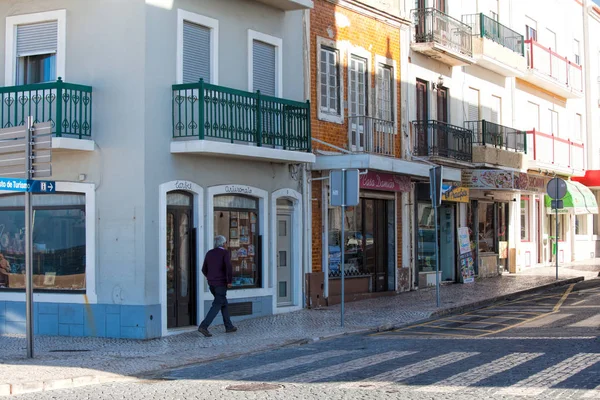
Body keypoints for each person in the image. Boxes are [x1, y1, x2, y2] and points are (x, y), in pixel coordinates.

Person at [198, 235, 237, 337]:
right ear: (223, 243)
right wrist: (229, 281)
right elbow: (228, 267)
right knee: (216, 305)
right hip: (221, 284)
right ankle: (204, 326)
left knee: (223, 303)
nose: (226, 244)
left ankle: (229, 326)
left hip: (212, 284)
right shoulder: (225, 253)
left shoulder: (209, 253)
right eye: (226, 243)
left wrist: (210, 277)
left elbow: (203, 269)